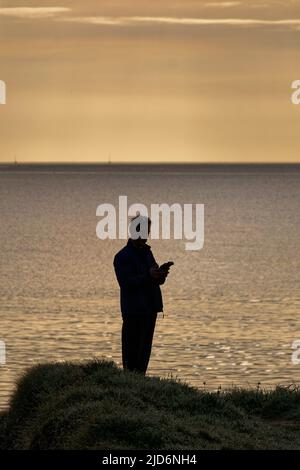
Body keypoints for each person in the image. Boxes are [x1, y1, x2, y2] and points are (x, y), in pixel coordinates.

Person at [113, 215, 170, 375]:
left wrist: (161, 275)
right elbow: (126, 283)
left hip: (150, 309)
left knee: (144, 351)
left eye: (148, 231)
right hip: (134, 311)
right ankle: (129, 383)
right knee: (132, 352)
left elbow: (153, 279)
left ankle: (139, 381)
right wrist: (149, 275)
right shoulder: (122, 257)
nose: (147, 235)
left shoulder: (147, 253)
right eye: (144, 231)